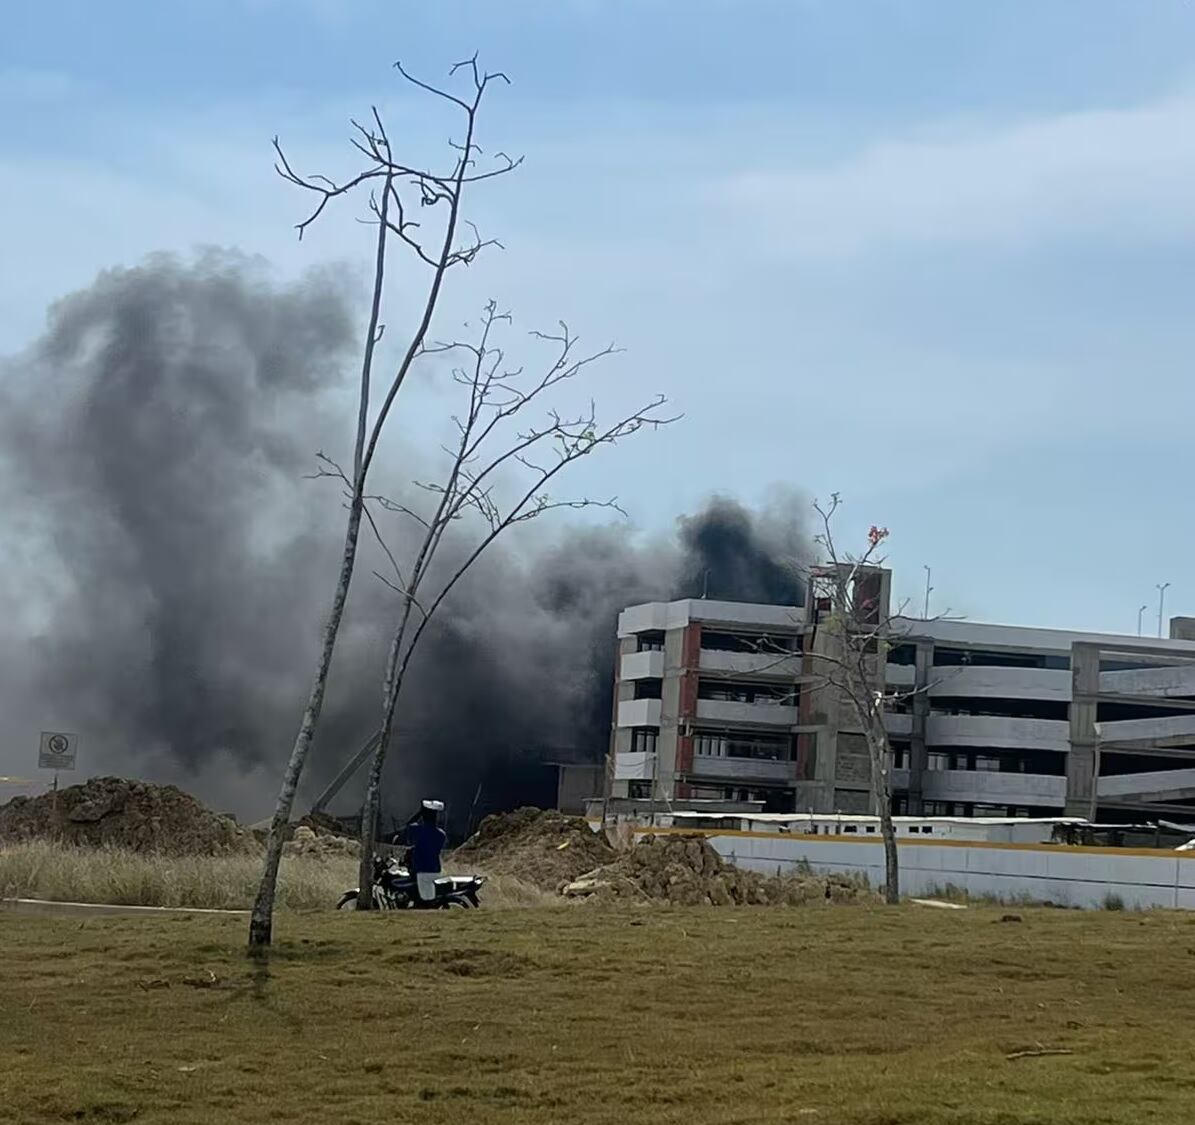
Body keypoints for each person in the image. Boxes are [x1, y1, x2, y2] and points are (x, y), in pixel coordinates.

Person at [405, 800, 447, 905]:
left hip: (422, 870)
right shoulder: (441, 834)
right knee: (431, 897)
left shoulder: (418, 831)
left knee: (425, 901)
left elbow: (409, 824)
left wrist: (420, 812)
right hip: (435, 869)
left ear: (423, 817)